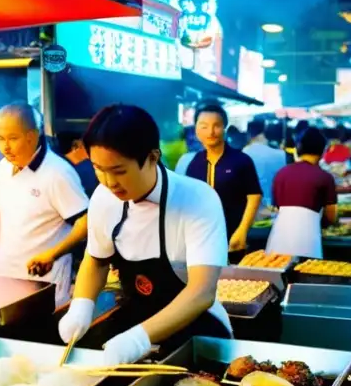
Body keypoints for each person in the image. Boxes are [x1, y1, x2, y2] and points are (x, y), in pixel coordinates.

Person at [57, 105, 231, 364]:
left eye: (119, 171)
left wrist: (138, 340)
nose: (108, 182)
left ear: (152, 157)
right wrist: (81, 306)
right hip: (135, 320)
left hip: (198, 332)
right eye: (98, 169)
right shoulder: (104, 198)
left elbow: (201, 291)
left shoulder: (198, 199)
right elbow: (96, 259)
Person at [0, 102, 89, 305]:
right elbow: (2, 212)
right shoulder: (3, 168)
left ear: (32, 136)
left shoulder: (57, 173)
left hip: (43, 286)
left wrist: (53, 254)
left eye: (12, 139)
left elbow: (86, 222)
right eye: (0, 139)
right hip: (4, 277)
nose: (5, 147)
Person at [185, 103, 263, 251]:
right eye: (204, 126)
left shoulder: (241, 160)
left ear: (224, 127)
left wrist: (242, 231)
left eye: (217, 125)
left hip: (234, 238)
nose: (211, 131)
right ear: (196, 131)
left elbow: (254, 196)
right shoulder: (194, 164)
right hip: (202, 238)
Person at [268, 129, 338, 258]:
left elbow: (276, 209)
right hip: (309, 242)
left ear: (299, 148)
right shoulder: (325, 177)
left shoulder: (281, 174)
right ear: (322, 150)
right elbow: (331, 216)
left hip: (278, 241)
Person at [243, 117, 287, 210]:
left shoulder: (243, 155)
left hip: (253, 210)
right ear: (264, 131)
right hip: (277, 208)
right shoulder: (281, 155)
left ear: (248, 134)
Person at [56, 130, 100, 196]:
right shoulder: (89, 170)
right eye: (85, 145)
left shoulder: (56, 168)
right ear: (76, 145)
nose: (89, 149)